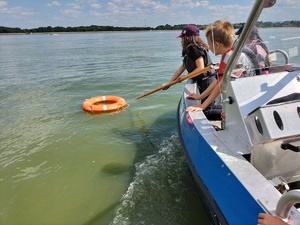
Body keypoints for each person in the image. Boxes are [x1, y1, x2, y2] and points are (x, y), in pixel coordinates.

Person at [186, 20, 258, 114]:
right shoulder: (230, 53)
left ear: (216, 45)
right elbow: (218, 80)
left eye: (209, 43)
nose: (208, 47)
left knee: (209, 112)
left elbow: (221, 84)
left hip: (247, 101)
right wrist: (200, 97)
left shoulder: (234, 57)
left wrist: (203, 105)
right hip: (241, 96)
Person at [163, 24, 220, 120]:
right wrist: (169, 84)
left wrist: (187, 76)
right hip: (204, 82)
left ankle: (227, 114)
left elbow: (201, 67)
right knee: (209, 108)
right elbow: (179, 71)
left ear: (187, 38)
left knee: (207, 112)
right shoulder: (190, 52)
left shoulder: (193, 49)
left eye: (182, 39)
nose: (181, 42)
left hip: (207, 82)